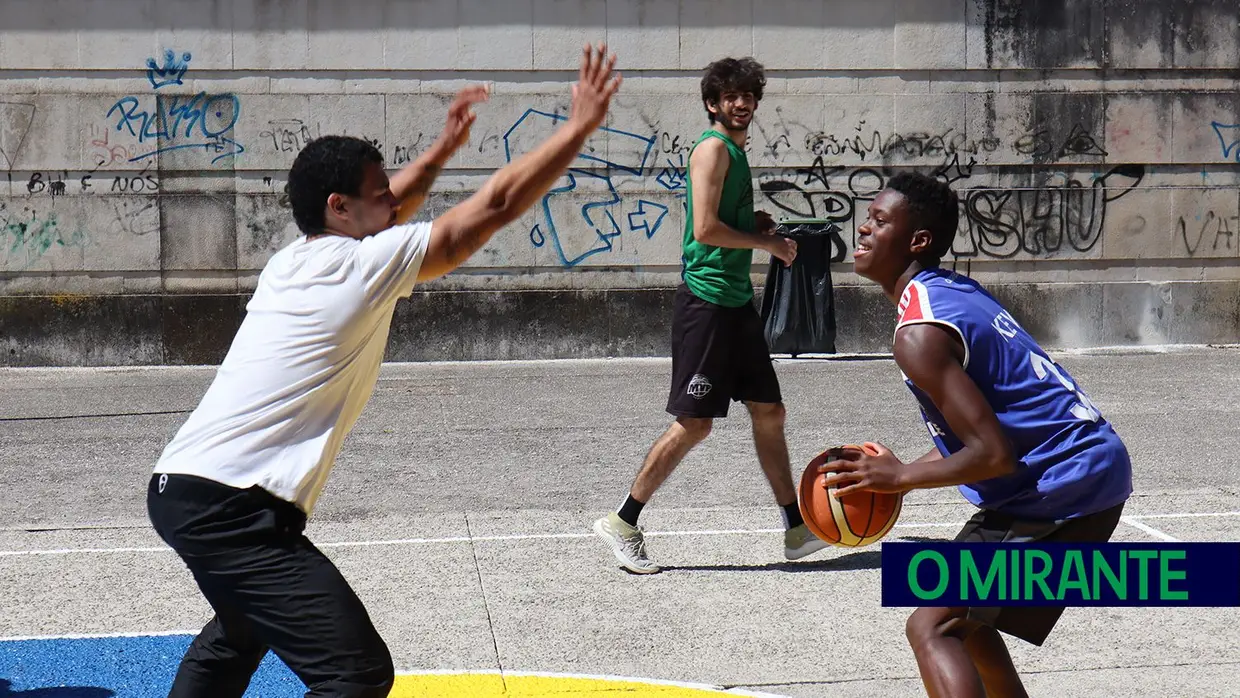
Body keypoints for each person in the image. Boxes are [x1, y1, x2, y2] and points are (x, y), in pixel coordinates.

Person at [146, 44, 624, 698]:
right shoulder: (359, 266)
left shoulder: (295, 258)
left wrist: (441, 150)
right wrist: (578, 129)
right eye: (380, 195)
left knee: (240, 629)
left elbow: (394, 199)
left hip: (190, 488)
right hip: (230, 507)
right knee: (356, 674)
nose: (395, 202)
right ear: (340, 208)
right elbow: (494, 206)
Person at [818, 172, 1134, 698]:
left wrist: (901, 477)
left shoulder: (919, 333)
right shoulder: (952, 292)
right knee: (970, 627)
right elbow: (986, 432)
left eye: (879, 221)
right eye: (867, 218)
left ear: (917, 240)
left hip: (1062, 483)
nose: (863, 230)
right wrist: (903, 472)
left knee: (933, 626)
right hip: (1079, 468)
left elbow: (991, 453)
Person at [592, 56, 827, 575]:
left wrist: (752, 220)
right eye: (731, 96)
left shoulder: (736, 155)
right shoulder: (713, 151)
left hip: (736, 302)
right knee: (695, 423)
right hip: (708, 304)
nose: (742, 103)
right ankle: (623, 522)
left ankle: (794, 528)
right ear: (713, 104)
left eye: (749, 95)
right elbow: (703, 229)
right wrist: (766, 241)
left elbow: (724, 218)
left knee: (769, 411)